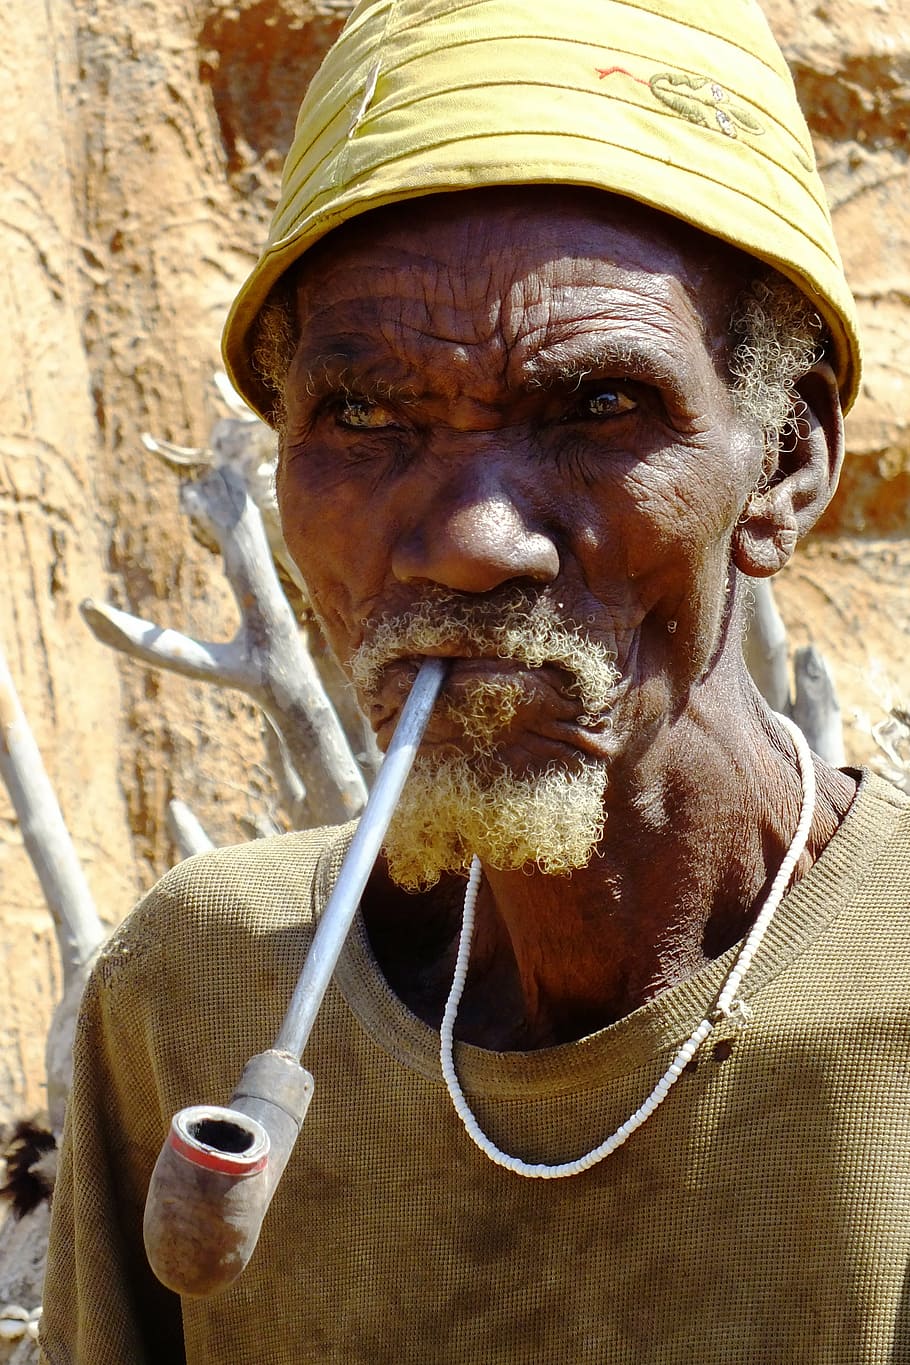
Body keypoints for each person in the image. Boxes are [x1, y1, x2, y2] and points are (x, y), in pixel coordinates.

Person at [40, 0, 910, 1361]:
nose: (466, 540)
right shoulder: (200, 992)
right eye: (365, 416)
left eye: (597, 408)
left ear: (782, 465)